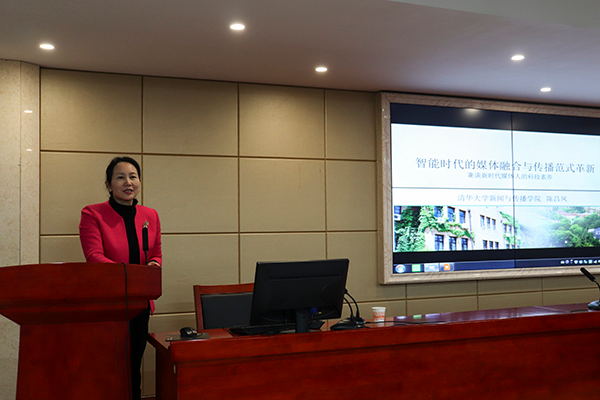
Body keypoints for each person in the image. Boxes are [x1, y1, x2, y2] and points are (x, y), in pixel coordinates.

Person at [79, 156, 162, 400]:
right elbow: (94, 257)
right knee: (109, 367)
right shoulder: (92, 213)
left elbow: (156, 253)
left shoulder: (150, 215)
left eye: (133, 176)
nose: (128, 182)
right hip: (109, 304)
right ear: (109, 184)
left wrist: (154, 265)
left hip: (139, 304)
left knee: (133, 367)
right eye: (120, 177)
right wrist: (134, 276)